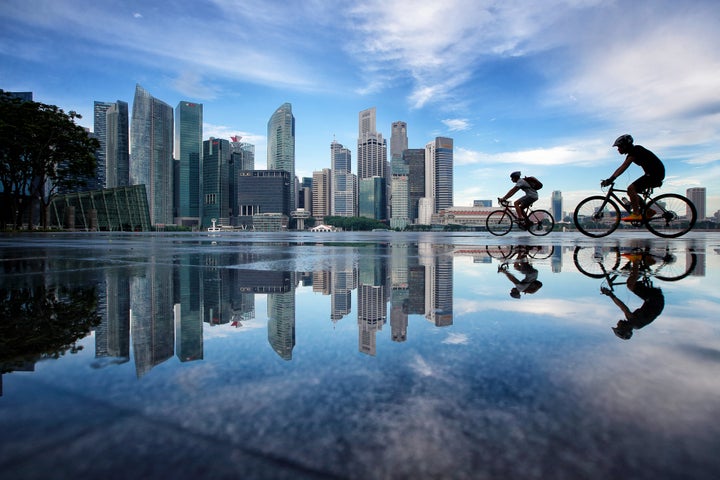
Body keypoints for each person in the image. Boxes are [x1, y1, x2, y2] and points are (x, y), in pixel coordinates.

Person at [601, 134, 665, 222]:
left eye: (619, 147)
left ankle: (636, 214)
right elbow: (622, 166)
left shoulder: (636, 150)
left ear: (625, 145)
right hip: (653, 174)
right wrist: (611, 179)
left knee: (631, 188)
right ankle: (649, 211)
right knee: (631, 192)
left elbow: (623, 167)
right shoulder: (633, 152)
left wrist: (611, 179)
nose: (618, 149)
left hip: (655, 174)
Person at [601, 252, 664, 340]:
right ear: (624, 328)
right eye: (618, 326)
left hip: (654, 300)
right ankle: (636, 260)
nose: (617, 324)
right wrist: (610, 294)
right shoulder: (633, 323)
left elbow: (623, 308)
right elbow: (623, 307)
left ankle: (646, 264)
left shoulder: (634, 324)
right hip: (654, 299)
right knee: (630, 285)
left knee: (635, 284)